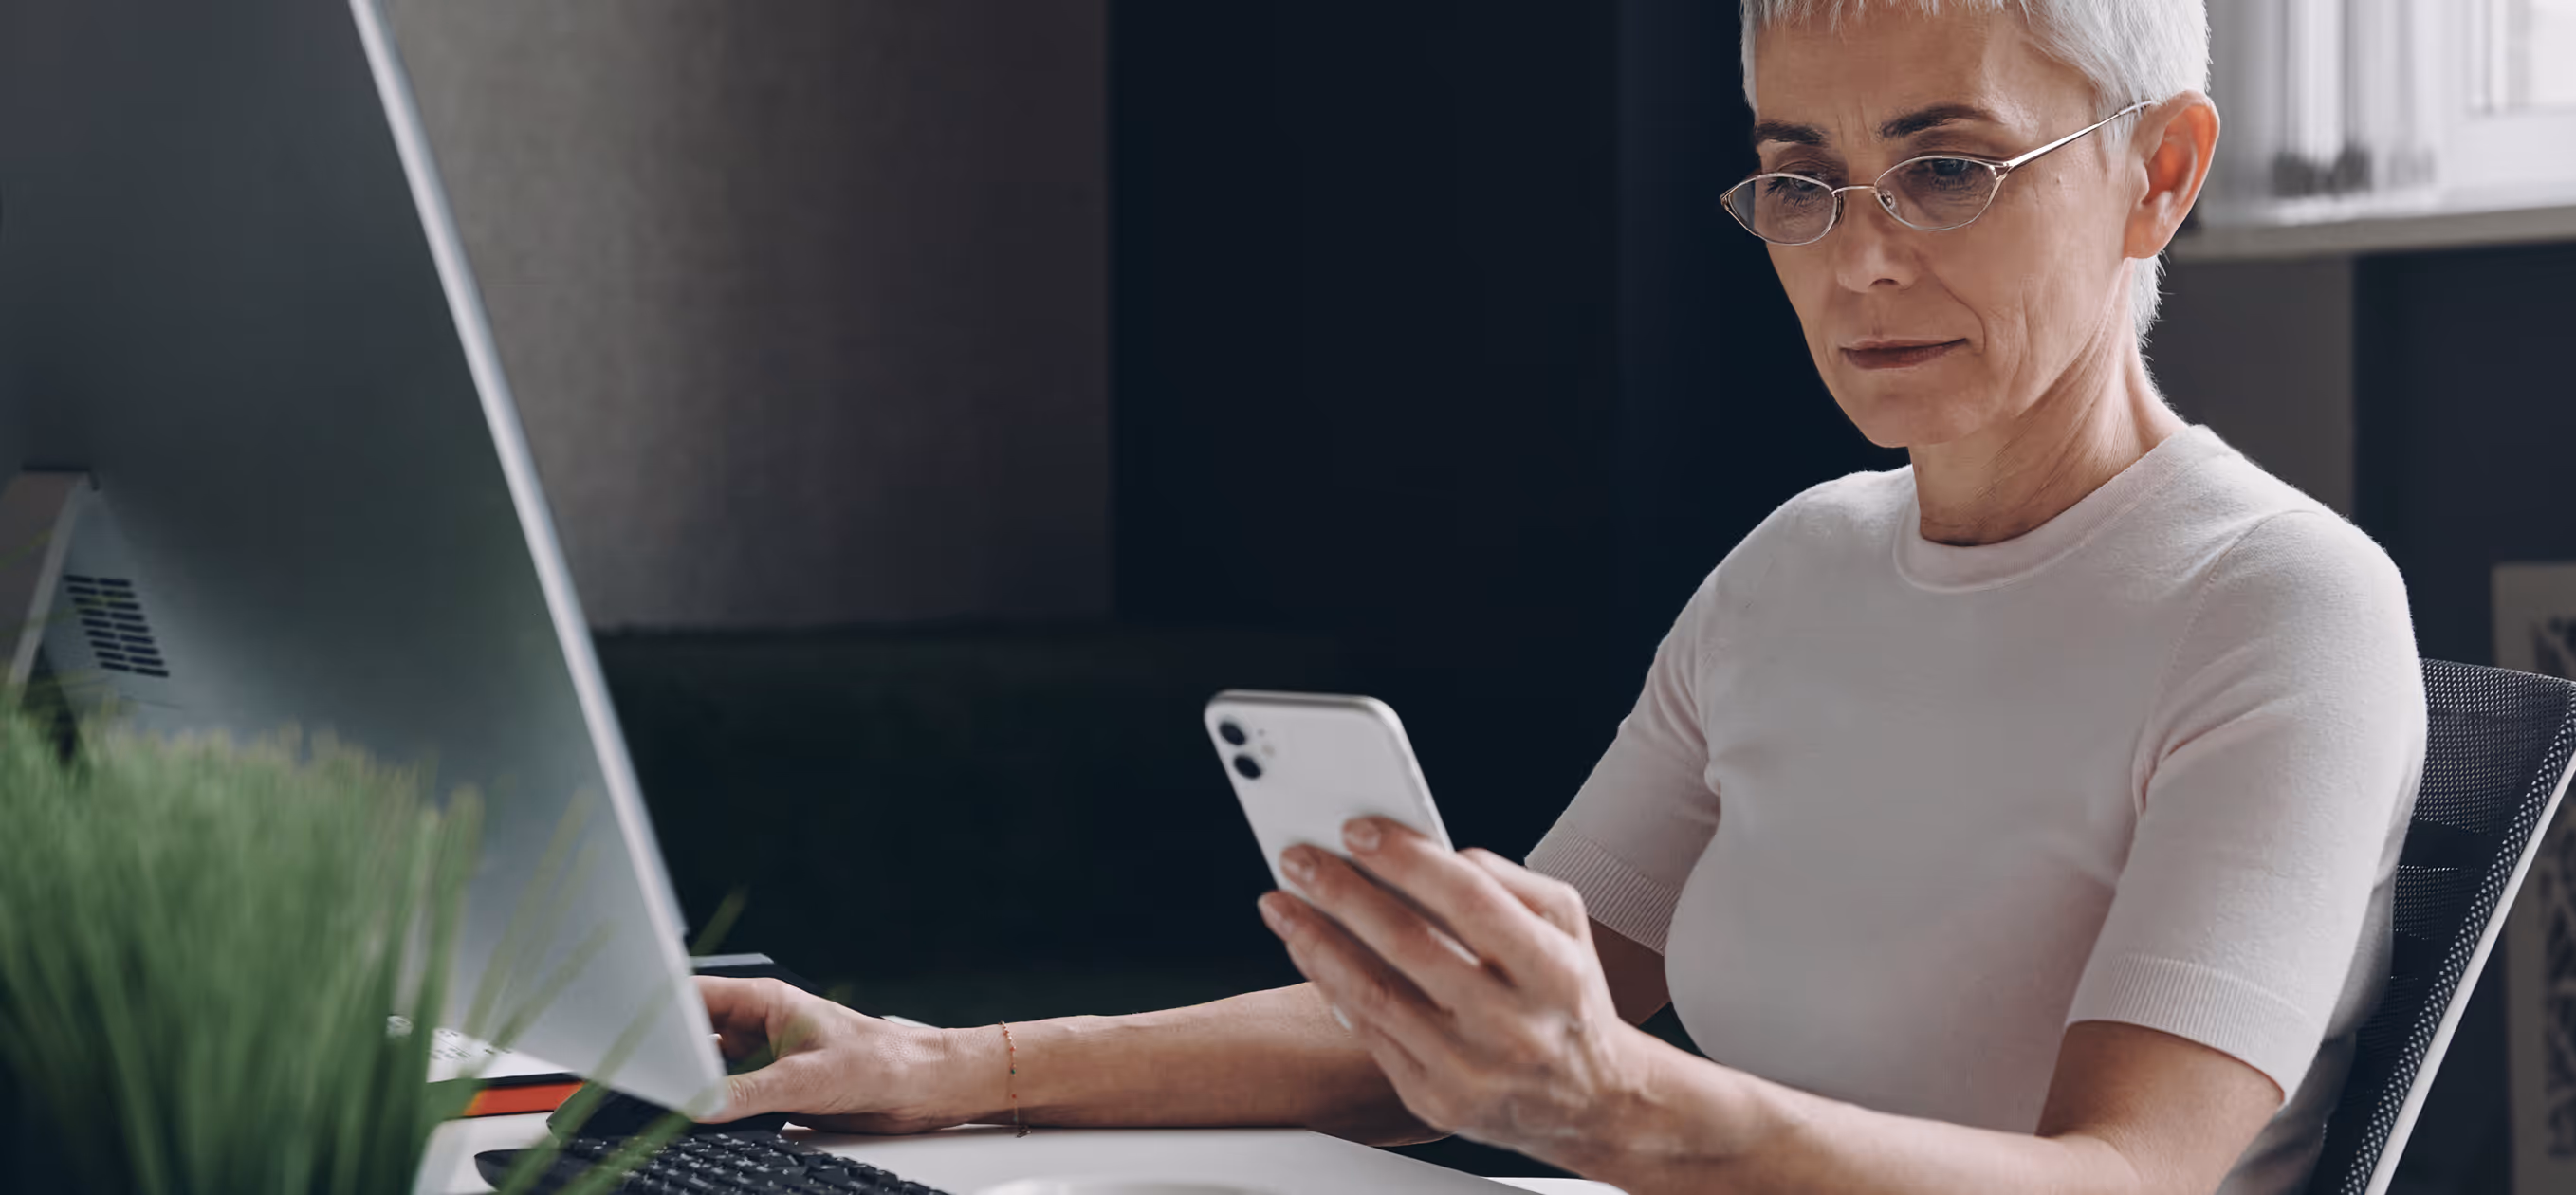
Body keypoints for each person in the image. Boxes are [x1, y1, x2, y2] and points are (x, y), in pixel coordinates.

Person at [692, 3, 2426, 1191]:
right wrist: (951, 1071)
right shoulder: (1796, 569)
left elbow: (2126, 1181)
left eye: (1948, 167)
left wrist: (1612, 1100)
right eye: (1801, 176)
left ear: (2162, 174)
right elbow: (1442, 1034)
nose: (1857, 257)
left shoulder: (2278, 608)